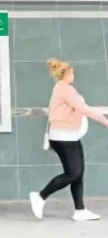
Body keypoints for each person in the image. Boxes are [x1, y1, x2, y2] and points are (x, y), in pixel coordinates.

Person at [30, 58, 108, 221]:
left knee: (78, 173)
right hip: (63, 137)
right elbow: (82, 108)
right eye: (71, 72)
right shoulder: (64, 89)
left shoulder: (65, 88)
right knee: (73, 173)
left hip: (70, 136)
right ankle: (40, 196)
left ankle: (80, 210)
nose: (73, 75)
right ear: (65, 73)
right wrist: (104, 120)